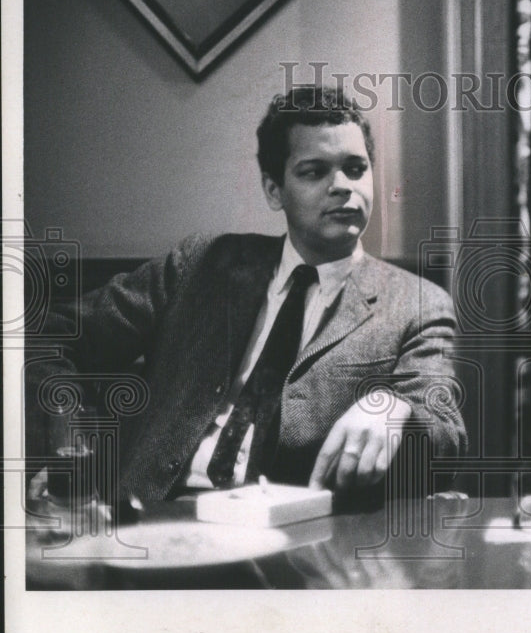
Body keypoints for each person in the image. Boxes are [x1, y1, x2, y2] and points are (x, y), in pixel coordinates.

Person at [26, 86, 466, 506]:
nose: (342, 185)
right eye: (314, 171)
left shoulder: (417, 303)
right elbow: (46, 338)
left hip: (297, 538)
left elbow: (445, 432)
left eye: (355, 168)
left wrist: (394, 407)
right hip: (153, 517)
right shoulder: (200, 264)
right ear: (274, 191)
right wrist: (69, 437)